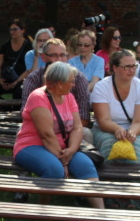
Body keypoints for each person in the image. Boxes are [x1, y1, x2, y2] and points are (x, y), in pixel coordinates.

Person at [14, 62, 103, 204]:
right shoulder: (38, 97)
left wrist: (72, 150)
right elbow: (47, 135)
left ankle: (102, 214)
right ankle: (43, 211)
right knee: (55, 170)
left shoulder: (68, 96)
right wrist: (64, 163)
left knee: (85, 164)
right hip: (31, 145)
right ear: (59, 83)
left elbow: (77, 127)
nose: (73, 85)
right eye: (71, 81)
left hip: (63, 147)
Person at [91, 49, 140, 163]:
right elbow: (103, 121)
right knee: (110, 146)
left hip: (135, 130)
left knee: (137, 149)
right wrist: (117, 129)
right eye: (127, 67)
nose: (132, 70)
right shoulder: (101, 87)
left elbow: (139, 121)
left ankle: (139, 180)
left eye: (134, 66)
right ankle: (108, 179)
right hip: (106, 130)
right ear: (114, 68)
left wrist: (132, 132)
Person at [22, 39, 91, 138]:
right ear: (43, 57)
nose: (59, 59)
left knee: (86, 133)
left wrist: (63, 130)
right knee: (21, 132)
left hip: (71, 128)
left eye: (62, 55)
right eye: (54, 55)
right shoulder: (33, 79)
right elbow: (25, 112)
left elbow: (84, 117)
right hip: (39, 128)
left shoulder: (78, 78)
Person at [0, 18, 33, 99]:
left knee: (19, 93)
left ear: (22, 30)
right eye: (10, 30)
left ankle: (14, 110)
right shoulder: (5, 46)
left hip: (21, 79)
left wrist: (17, 81)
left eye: (15, 29)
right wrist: (0, 80)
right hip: (6, 78)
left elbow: (30, 68)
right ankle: (4, 108)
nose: (12, 32)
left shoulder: (29, 46)